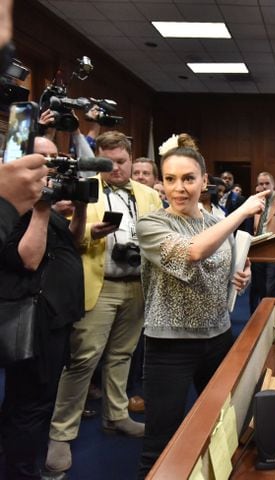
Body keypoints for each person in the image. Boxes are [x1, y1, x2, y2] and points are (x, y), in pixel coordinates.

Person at [134, 146, 266, 477]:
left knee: (222, 427)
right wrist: (240, 214)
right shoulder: (151, 224)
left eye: (189, 178)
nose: (179, 188)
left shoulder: (215, 223)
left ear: (204, 180)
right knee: (160, 443)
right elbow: (192, 252)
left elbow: (225, 276)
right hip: (169, 345)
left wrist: (242, 277)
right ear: (162, 184)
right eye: (170, 179)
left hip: (218, 338)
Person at [46, 132, 163, 474]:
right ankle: (61, 433)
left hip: (137, 285)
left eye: (122, 162)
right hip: (100, 284)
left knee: (122, 355)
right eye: (108, 162)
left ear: (132, 158)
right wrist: (90, 234)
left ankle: (116, 416)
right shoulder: (85, 190)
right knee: (83, 359)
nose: (116, 168)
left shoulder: (148, 195)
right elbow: (67, 238)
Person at [0, 137, 85, 480]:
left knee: (35, 400)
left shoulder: (44, 205)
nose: (50, 166)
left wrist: (79, 208)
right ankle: (21, 472)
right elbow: (28, 260)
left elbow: (73, 240)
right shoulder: (14, 206)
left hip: (56, 317)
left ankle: (13, 454)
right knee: (31, 404)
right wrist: (41, 207)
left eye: (54, 158)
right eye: (42, 158)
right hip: (32, 319)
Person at [249, 171, 275, 313]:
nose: (264, 186)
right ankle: (257, 318)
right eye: (261, 184)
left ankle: (269, 318)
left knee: (271, 290)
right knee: (258, 289)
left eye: (267, 183)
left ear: (273, 184)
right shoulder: (256, 202)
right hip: (258, 252)